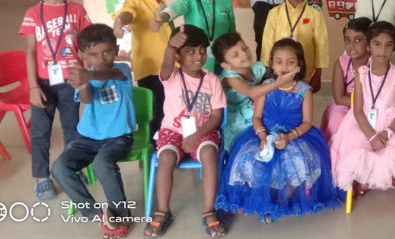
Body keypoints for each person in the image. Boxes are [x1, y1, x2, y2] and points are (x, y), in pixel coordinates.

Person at [216, 38, 342, 222]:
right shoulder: (265, 87)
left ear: (299, 65)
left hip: (295, 136)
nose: (284, 67)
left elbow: (307, 122)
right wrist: (262, 136)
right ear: (272, 65)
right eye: (279, 62)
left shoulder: (304, 90)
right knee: (249, 159)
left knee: (296, 162)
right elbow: (256, 117)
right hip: (263, 134)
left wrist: (289, 137)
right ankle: (264, 199)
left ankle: (283, 200)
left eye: (291, 62)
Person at [329, 22, 395, 194]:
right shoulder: (361, 74)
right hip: (364, 122)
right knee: (358, 148)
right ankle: (367, 177)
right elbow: (357, 110)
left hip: (393, 122)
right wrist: (372, 136)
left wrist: (388, 132)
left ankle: (387, 175)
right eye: (377, 44)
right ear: (369, 46)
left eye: (388, 45)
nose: (383, 50)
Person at [52, 24, 136, 239]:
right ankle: (98, 214)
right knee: (60, 167)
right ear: (83, 56)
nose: (101, 58)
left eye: (107, 52)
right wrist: (82, 85)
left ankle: (122, 216)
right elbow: (87, 99)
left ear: (116, 50)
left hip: (119, 137)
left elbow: (110, 73)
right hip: (88, 138)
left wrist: (88, 75)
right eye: (93, 55)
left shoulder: (122, 69)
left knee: (102, 163)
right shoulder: (85, 76)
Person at [19, 0, 92, 199]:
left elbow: (87, 44)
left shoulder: (77, 10)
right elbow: (30, 51)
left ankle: (71, 168)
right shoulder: (32, 14)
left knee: (72, 128)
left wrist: (87, 71)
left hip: (71, 81)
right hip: (43, 83)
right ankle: (41, 176)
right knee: (40, 132)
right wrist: (33, 87)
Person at [144, 25, 226, 238]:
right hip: (172, 131)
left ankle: (209, 210)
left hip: (202, 131)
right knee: (166, 157)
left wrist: (195, 135)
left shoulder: (212, 80)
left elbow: (216, 117)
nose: (198, 56)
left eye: (202, 50)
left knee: (209, 153)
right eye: (191, 51)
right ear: (179, 56)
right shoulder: (171, 76)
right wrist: (171, 47)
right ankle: (163, 211)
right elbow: (167, 63)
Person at [114, 0, 171, 146]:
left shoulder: (160, 0)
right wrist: (119, 22)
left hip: (168, 64)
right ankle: (154, 147)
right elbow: (127, 14)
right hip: (150, 67)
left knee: (168, 107)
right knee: (155, 109)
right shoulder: (134, 1)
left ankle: (167, 143)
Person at [260, 0, 329, 93]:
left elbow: (321, 45)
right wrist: (268, 70)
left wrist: (318, 74)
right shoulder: (274, 13)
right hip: (279, 70)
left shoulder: (315, 14)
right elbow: (267, 43)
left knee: (303, 98)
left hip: (306, 70)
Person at [211, 32, 269, 151]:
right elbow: (251, 92)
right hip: (236, 114)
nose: (244, 54)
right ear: (226, 65)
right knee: (250, 139)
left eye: (245, 48)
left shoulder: (256, 68)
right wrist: (277, 84)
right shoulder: (230, 78)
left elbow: (270, 75)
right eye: (236, 55)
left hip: (253, 105)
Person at [320, 17, 372, 140]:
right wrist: (360, 103)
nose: (351, 45)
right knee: (337, 119)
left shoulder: (375, 63)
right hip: (344, 104)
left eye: (358, 40)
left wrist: (367, 105)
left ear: (369, 42)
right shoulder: (341, 63)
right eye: (347, 40)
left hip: (370, 105)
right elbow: (339, 98)